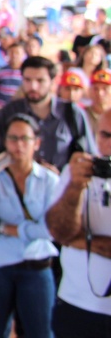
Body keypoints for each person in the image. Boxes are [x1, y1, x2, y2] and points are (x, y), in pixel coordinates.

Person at [0, 113, 61, 338]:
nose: (19, 145)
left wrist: (6, 229)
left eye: (25, 139)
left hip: (36, 265)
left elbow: (50, 229)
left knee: (41, 331)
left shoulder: (50, 181)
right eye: (13, 138)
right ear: (5, 142)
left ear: (36, 143)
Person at [46, 109, 111, 338]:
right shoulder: (77, 172)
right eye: (105, 135)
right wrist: (75, 187)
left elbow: (69, 238)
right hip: (77, 303)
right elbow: (59, 232)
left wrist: (81, 240)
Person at [0, 56, 93, 172]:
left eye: (40, 81)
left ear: (52, 82)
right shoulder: (8, 112)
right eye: (28, 80)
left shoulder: (72, 113)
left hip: (63, 186)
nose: (33, 87)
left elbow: (88, 156)